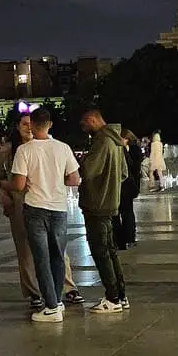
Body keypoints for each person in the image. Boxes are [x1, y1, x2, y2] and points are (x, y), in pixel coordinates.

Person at [0, 112, 85, 308]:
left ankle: (67, 288)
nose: (28, 128)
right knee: (27, 252)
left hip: (40, 205)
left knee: (56, 251)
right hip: (21, 206)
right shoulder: (9, 151)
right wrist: (3, 193)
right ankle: (35, 293)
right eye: (24, 124)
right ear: (17, 127)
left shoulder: (47, 147)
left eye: (31, 124)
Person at [10, 108, 80, 323]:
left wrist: (7, 184)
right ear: (50, 124)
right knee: (58, 256)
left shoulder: (24, 151)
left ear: (31, 125)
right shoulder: (63, 148)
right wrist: (57, 181)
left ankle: (50, 306)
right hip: (58, 208)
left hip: (35, 208)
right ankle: (57, 301)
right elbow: (75, 179)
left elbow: (19, 185)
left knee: (41, 259)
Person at [79, 109, 129, 314]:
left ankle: (112, 297)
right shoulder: (116, 141)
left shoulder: (101, 141)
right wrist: (111, 186)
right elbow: (124, 173)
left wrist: (83, 163)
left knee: (101, 252)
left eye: (84, 123)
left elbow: (88, 171)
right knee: (110, 251)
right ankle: (121, 295)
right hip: (110, 203)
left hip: (97, 205)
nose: (83, 128)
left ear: (92, 120)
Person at [113, 129, 142, 250]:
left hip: (124, 185)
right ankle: (128, 238)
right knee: (127, 212)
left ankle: (123, 239)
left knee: (122, 212)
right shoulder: (130, 149)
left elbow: (133, 168)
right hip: (129, 185)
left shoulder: (125, 150)